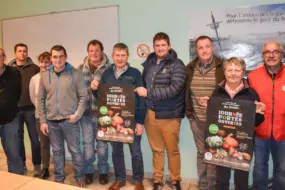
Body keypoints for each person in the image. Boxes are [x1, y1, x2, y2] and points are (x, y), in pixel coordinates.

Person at [135, 32, 187, 190]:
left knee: (172, 150)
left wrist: (149, 94)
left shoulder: (177, 64)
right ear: (153, 46)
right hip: (150, 113)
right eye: (157, 45)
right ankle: (158, 179)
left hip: (170, 114)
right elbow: (143, 85)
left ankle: (175, 180)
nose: (160, 48)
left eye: (163, 45)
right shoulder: (149, 63)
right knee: (156, 150)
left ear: (169, 46)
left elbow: (175, 89)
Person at [92, 43, 146, 190]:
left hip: (132, 120)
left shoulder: (135, 73)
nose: (120, 58)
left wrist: (140, 122)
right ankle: (120, 179)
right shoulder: (107, 73)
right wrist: (94, 89)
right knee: (117, 152)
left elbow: (142, 99)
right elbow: (101, 97)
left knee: (135, 152)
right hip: (113, 121)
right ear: (113, 56)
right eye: (117, 55)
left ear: (127, 56)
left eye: (123, 55)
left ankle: (138, 180)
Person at [207, 57, 264, 190]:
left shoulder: (251, 93)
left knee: (241, 178)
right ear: (225, 72)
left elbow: (258, 122)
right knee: (221, 178)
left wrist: (259, 113)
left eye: (237, 70)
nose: (233, 73)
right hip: (222, 141)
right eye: (230, 70)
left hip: (244, 142)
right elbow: (213, 118)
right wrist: (208, 106)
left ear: (243, 72)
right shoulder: (217, 91)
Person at [38, 45, 88, 187]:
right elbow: (40, 99)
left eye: (61, 56)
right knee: (57, 151)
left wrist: (77, 115)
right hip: (51, 121)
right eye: (55, 56)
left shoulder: (75, 73)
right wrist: (43, 121)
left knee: (75, 151)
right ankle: (59, 178)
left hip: (69, 121)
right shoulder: (44, 75)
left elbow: (84, 96)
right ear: (51, 58)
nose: (58, 59)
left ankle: (80, 176)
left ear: (65, 57)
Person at [185, 35, 224, 189]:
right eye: (200, 47)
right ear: (196, 50)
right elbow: (186, 92)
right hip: (197, 120)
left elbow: (227, 92)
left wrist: (212, 101)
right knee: (201, 153)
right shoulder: (190, 68)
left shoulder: (222, 67)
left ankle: (213, 185)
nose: (204, 50)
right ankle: (202, 184)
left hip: (217, 120)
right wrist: (190, 115)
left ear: (212, 48)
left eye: (207, 46)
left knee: (214, 152)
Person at [248, 41, 285, 190]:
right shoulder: (252, 77)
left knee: (282, 169)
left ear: (281, 54)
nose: (271, 55)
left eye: (275, 51)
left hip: (283, 132)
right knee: (259, 168)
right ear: (262, 56)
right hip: (260, 132)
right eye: (267, 52)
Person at [78, 39, 111, 185]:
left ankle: (103, 171)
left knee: (103, 145)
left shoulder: (109, 68)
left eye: (97, 50)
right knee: (87, 145)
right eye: (91, 51)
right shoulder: (80, 68)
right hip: (85, 114)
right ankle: (88, 171)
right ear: (88, 52)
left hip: (103, 115)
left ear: (102, 51)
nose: (94, 53)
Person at [8, 43, 41, 176]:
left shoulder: (35, 68)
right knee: (18, 139)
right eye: (20, 51)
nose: (22, 53)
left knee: (35, 138)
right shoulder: (8, 69)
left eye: (25, 51)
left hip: (31, 110)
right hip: (15, 111)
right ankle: (21, 165)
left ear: (27, 53)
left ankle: (37, 166)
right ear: (15, 53)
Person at [0, 48, 24, 175]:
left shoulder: (14, 72)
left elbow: (17, 92)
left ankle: (17, 178)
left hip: (10, 119)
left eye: (0, 56)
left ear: (4, 57)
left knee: (13, 152)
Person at [29, 51, 52, 179]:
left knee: (58, 144)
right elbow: (33, 98)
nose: (44, 64)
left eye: (47, 61)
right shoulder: (34, 79)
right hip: (40, 116)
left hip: (54, 117)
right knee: (44, 143)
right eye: (42, 62)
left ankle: (60, 168)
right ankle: (45, 168)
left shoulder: (55, 77)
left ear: (51, 62)